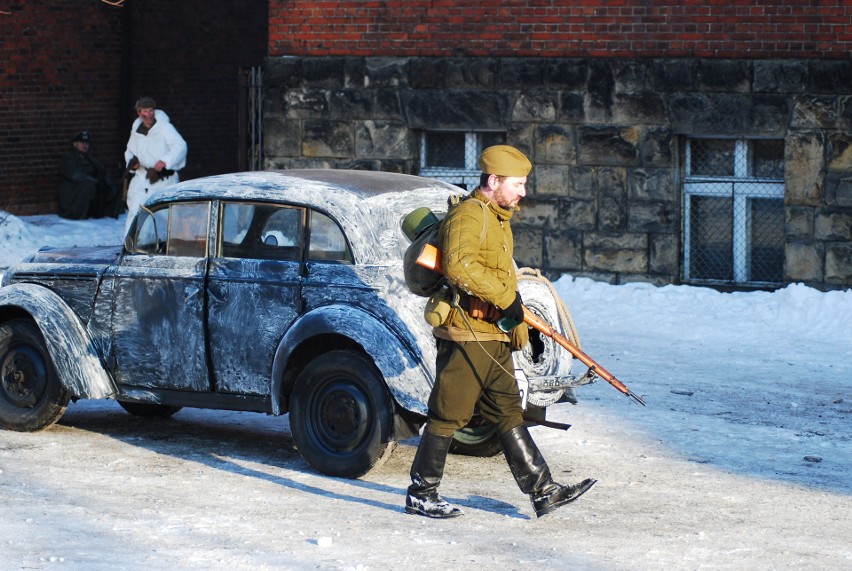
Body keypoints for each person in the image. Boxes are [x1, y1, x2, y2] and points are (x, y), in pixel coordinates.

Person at [405, 145, 596, 519]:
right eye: (518, 184)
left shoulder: (498, 218)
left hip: (491, 333)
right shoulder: (469, 215)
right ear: (493, 181)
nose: (523, 191)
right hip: (466, 333)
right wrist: (506, 300)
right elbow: (460, 267)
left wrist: (515, 318)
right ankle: (421, 492)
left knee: (508, 411)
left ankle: (544, 490)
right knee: (448, 413)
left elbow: (497, 275)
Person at [123, 96, 187, 232]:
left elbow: (180, 146)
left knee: (167, 213)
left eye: (151, 110)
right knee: (136, 209)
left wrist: (165, 161)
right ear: (139, 113)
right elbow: (130, 150)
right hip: (142, 176)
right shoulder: (136, 130)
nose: (149, 115)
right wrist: (132, 162)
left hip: (164, 179)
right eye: (145, 111)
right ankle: (133, 246)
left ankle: (173, 244)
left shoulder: (164, 127)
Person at [58, 131, 123, 219]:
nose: (85, 145)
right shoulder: (69, 158)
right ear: (75, 144)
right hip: (72, 192)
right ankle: (79, 215)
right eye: (82, 143)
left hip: (89, 186)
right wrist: (93, 180)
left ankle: (110, 213)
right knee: (88, 186)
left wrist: (106, 181)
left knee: (112, 186)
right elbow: (75, 175)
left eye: (87, 143)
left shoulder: (89, 157)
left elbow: (101, 170)